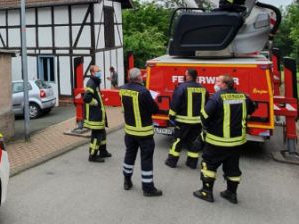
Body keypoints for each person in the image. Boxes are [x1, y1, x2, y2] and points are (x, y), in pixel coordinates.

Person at [194, 74, 256, 204]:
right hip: (236, 142)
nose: (215, 83)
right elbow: (253, 107)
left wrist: (207, 127)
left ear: (224, 84)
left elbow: (204, 116)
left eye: (217, 81)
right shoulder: (243, 96)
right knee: (232, 168)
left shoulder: (216, 97)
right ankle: (231, 194)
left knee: (209, 164)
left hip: (216, 141)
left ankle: (206, 192)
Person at [119, 68, 162, 196]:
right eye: (141, 76)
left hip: (130, 131)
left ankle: (127, 181)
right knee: (146, 159)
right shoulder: (143, 92)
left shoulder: (123, 89)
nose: (143, 77)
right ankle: (148, 188)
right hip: (144, 133)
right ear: (138, 78)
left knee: (129, 156)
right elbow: (154, 109)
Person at [165, 69, 207, 169]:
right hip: (197, 122)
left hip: (182, 121)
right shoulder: (203, 88)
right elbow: (206, 104)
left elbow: (175, 103)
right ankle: (192, 163)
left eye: (185, 74)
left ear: (188, 76)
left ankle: (171, 162)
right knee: (193, 142)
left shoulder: (182, 87)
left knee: (177, 141)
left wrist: (171, 116)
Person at [83, 65, 110, 162]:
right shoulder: (92, 83)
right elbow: (86, 98)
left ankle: (103, 151)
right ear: (93, 73)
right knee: (97, 136)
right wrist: (95, 103)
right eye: (98, 71)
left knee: (102, 134)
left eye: (100, 70)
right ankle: (92, 155)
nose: (100, 72)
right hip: (95, 116)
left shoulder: (95, 82)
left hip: (98, 115)